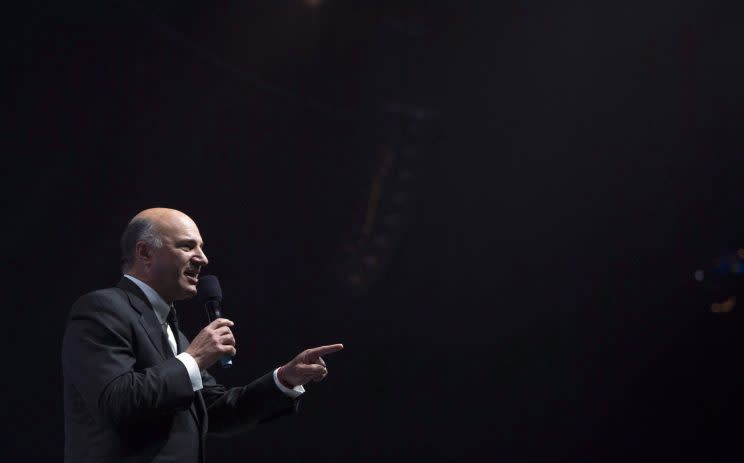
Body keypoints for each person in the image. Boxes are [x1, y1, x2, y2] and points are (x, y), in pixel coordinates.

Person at [61, 208, 343, 462]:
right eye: (187, 246)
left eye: (202, 248)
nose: (203, 258)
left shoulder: (172, 332)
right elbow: (116, 401)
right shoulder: (101, 309)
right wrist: (194, 359)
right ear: (145, 253)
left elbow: (219, 413)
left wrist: (284, 379)